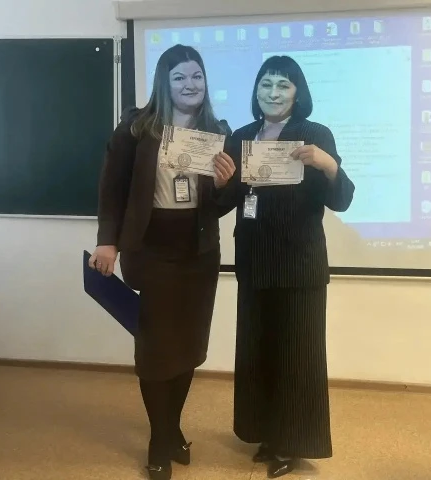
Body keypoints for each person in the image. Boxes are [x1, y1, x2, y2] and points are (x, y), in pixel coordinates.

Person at [89, 44, 236, 480]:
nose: (190, 85)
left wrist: (225, 185)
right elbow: (111, 189)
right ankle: (159, 438)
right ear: (164, 83)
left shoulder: (217, 131)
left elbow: (221, 205)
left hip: (199, 251)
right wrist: (107, 243)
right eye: (180, 77)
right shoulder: (137, 128)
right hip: (151, 248)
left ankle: (172, 429)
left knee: (188, 347)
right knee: (156, 350)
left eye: (197, 76)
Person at [219, 56, 355, 478]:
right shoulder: (241, 137)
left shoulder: (315, 135)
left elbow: (342, 200)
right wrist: (220, 183)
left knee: (297, 357)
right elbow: (224, 202)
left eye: (283, 85)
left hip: (299, 265)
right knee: (258, 353)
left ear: (298, 93)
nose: (273, 93)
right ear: (256, 90)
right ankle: (265, 433)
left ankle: (291, 444)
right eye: (266, 84)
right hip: (255, 263)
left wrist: (327, 165)